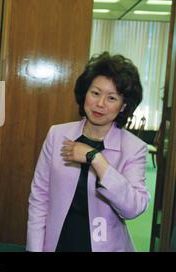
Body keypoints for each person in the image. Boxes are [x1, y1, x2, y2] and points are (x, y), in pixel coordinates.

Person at [27, 52, 149, 252]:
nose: (100, 104)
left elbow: (133, 208)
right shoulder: (57, 134)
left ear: (123, 106)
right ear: (85, 93)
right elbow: (39, 197)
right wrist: (34, 248)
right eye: (95, 93)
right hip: (58, 241)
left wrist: (96, 159)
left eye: (111, 98)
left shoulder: (134, 148)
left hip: (105, 246)